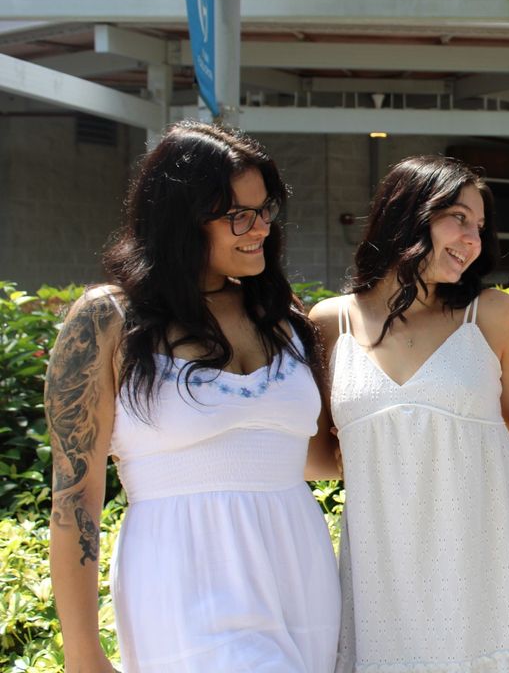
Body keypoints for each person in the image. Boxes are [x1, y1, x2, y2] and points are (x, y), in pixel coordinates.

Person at [45, 121, 341, 673]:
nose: (259, 230)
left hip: (299, 572)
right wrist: (82, 653)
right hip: (185, 574)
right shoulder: (107, 318)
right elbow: (75, 498)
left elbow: (314, 457)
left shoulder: (281, 315)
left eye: (264, 211)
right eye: (238, 216)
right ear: (181, 220)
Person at [309, 155, 509, 672]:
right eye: (458, 217)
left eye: (479, 226)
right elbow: (316, 456)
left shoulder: (491, 314)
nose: (473, 239)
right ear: (407, 213)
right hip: (379, 571)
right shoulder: (330, 324)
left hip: (481, 562)